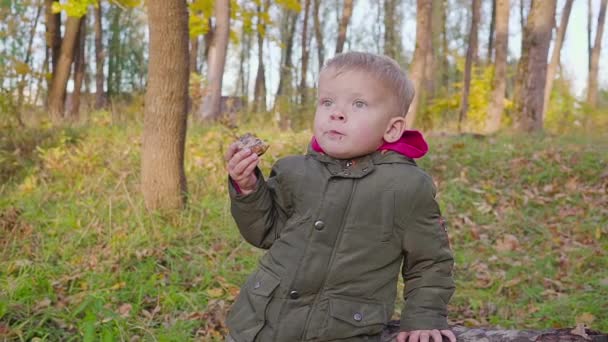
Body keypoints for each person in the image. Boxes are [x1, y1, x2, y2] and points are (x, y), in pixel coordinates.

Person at [224, 51, 455, 342]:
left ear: (393, 128)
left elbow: (429, 261)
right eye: (327, 102)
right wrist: (247, 188)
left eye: (358, 103)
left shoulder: (405, 186)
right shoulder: (294, 171)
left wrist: (424, 316)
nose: (337, 112)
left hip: (341, 329)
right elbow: (265, 232)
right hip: (260, 324)